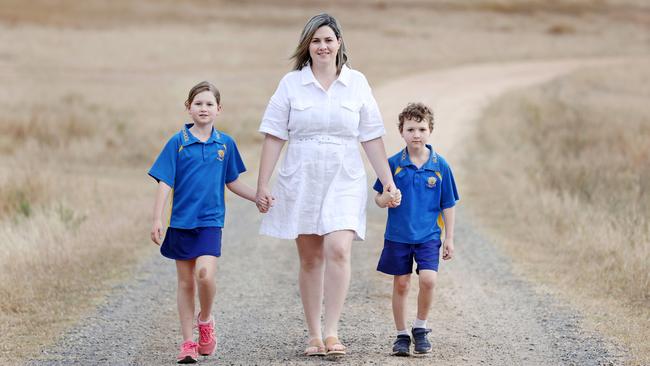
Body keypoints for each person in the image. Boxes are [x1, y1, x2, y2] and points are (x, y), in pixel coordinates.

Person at [255, 13, 400, 357]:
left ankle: (333, 331)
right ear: (308, 45)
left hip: (344, 175)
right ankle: (314, 334)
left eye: (328, 40)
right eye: (316, 40)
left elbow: (372, 137)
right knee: (310, 258)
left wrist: (388, 182)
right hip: (302, 175)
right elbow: (274, 136)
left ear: (339, 44)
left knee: (338, 248)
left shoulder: (357, 83)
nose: (322, 46)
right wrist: (263, 184)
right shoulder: (291, 84)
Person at [148, 81, 263, 364]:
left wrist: (257, 197)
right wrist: (157, 218)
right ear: (188, 108)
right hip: (180, 223)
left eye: (209, 104)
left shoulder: (225, 144)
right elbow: (165, 181)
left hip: (210, 222)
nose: (203, 108)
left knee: (205, 275)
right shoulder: (177, 143)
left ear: (219, 109)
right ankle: (188, 342)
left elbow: (233, 181)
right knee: (186, 282)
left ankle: (206, 320)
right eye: (198, 103)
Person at [373, 102, 459, 356]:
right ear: (401, 131)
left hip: (429, 236)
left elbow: (448, 205)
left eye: (421, 129)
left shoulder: (440, 166)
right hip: (398, 236)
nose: (416, 134)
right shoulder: (392, 164)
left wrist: (449, 238)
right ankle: (401, 335)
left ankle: (420, 327)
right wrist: (385, 199)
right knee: (401, 283)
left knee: (429, 279)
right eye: (410, 129)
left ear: (430, 130)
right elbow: (378, 199)